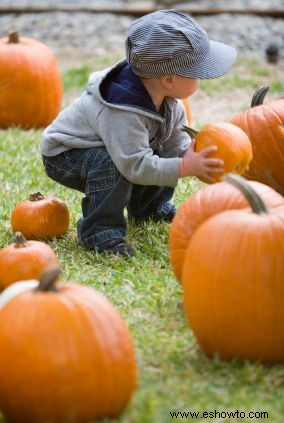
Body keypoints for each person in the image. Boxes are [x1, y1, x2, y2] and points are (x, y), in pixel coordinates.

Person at [40, 9, 237, 256]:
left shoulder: (169, 102)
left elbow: (174, 142)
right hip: (67, 154)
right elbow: (134, 165)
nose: (202, 78)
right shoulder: (122, 111)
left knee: (156, 147)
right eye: (198, 72)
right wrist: (183, 167)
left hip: (118, 149)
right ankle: (99, 231)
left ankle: (148, 207)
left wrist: (194, 155)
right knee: (112, 163)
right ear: (168, 79)